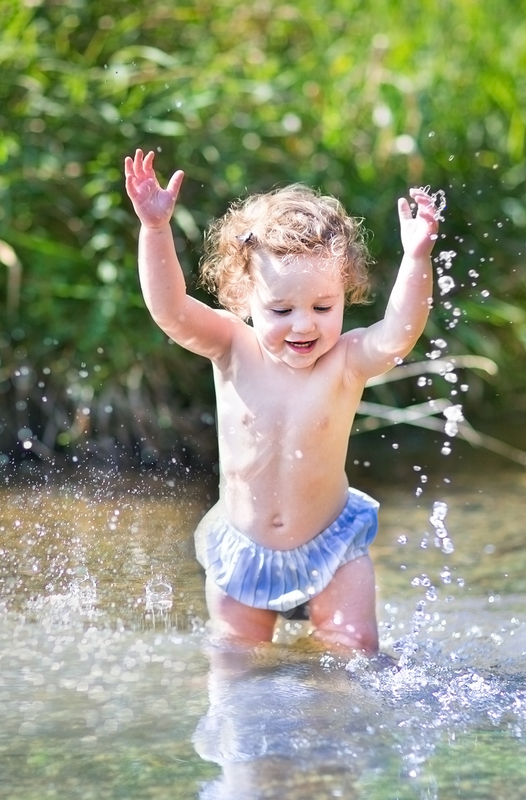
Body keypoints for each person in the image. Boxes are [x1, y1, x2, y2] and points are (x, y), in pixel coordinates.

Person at [124, 148, 439, 654]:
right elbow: (170, 310)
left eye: (322, 306)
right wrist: (155, 230)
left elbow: (400, 333)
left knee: (353, 651)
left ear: (345, 293)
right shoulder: (231, 347)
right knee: (237, 664)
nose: (304, 324)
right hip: (244, 548)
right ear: (243, 298)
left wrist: (417, 258)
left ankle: (332, 727)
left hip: (332, 545)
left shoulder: (347, 360)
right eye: (281, 308)